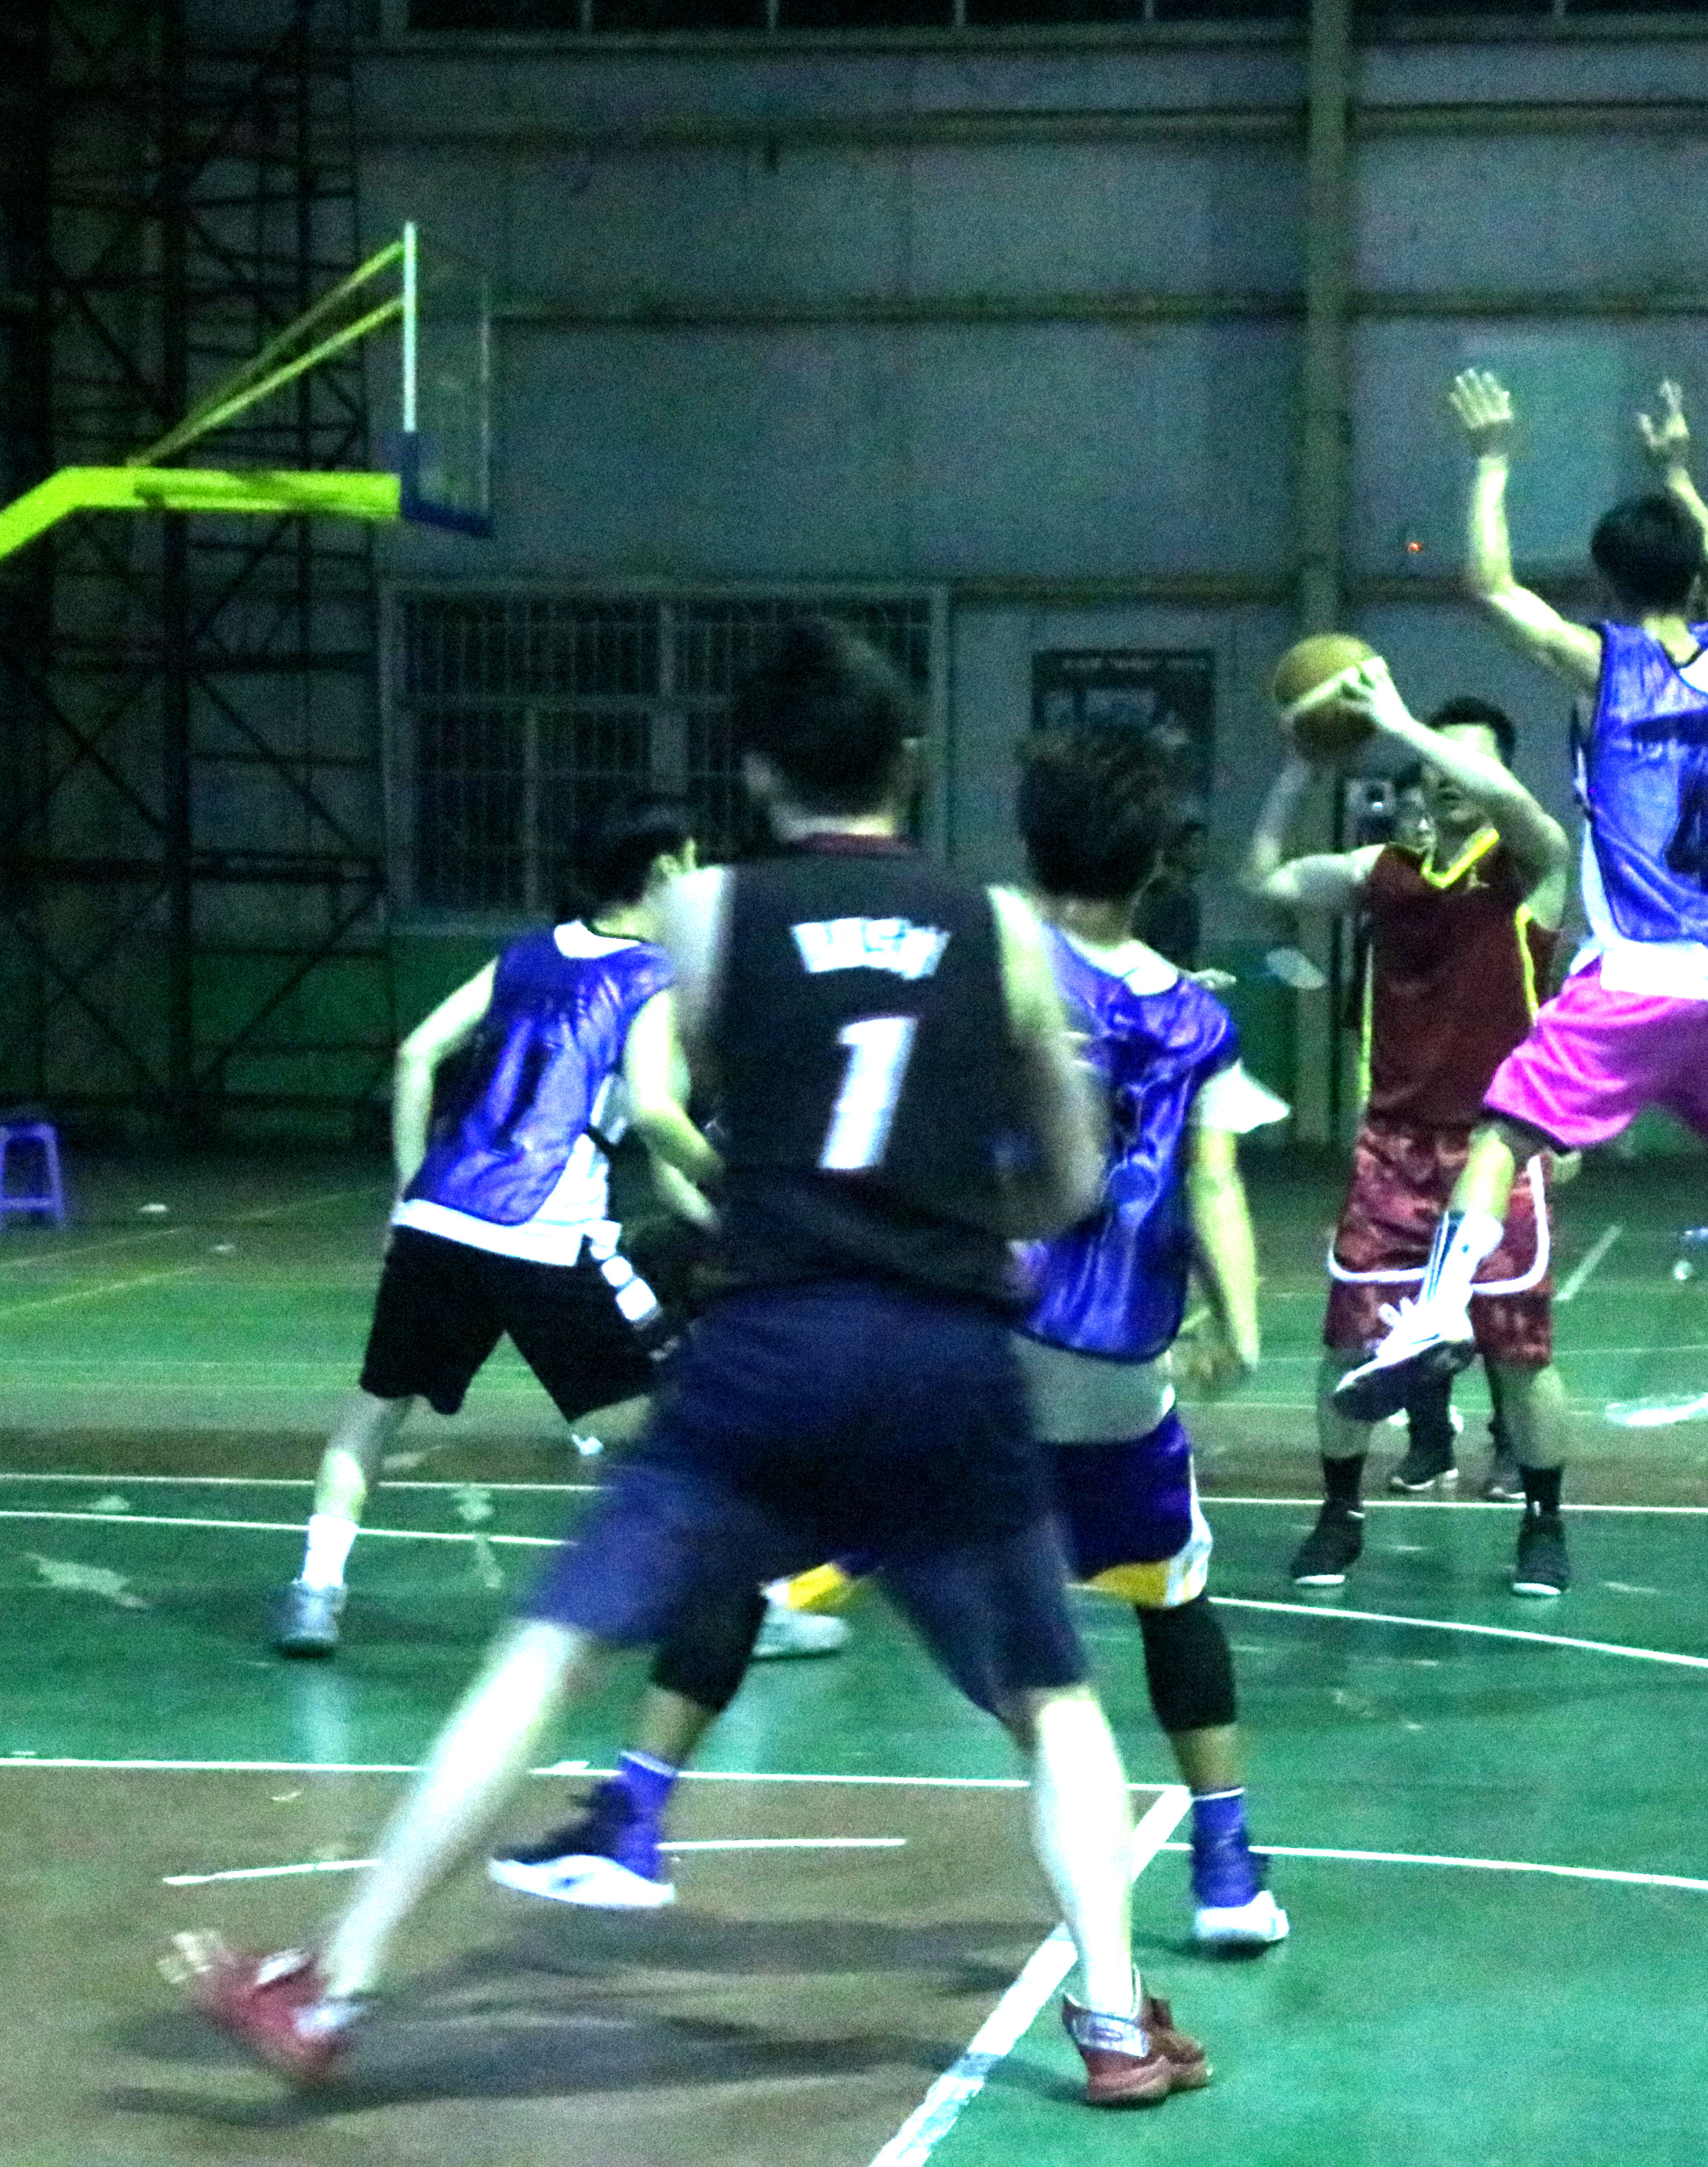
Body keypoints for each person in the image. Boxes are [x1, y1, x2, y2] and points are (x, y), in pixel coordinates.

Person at [177, 621, 1211, 2111]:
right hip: (937, 1358)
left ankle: (334, 1988)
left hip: (767, 1351)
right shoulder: (997, 928)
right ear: (910, 764)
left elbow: (670, 1093)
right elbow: (1068, 1181)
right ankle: (1112, 2024)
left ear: (758, 771)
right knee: (1049, 1703)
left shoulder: (709, 913)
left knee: (551, 1648)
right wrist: (963, 1200)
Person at [488, 726, 1292, 1951]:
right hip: (1117, 1365)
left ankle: (636, 1810)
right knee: (1174, 1600)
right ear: (1158, 865)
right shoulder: (1193, 1016)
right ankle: (1225, 1867)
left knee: (754, 1552)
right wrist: (1239, 1322)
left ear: (1030, 844)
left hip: (970, 1337)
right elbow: (1217, 1181)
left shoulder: (981, 955)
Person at [1334, 372, 1708, 1441]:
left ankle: (1434, 1317)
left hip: (1640, 976)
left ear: (1608, 585)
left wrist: (1492, 459)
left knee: (1499, 1136)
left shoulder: (1604, 666)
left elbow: (1488, 584)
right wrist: (1679, 474)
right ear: (1695, 575)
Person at [264, 797, 721, 1661]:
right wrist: (741, 1187)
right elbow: (658, 1118)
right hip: (545, 1231)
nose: (700, 879)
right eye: (694, 862)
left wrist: (408, 1194)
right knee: (687, 1408)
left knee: (376, 1407)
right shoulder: (650, 977)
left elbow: (416, 1054)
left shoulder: (524, 956)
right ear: (662, 871)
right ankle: (725, 1604)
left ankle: (315, 1591)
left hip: (437, 1216)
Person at [1247, 676, 1583, 1596]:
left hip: (1496, 1149)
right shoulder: (1383, 873)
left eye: (1471, 761)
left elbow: (1531, 818)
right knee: (1347, 1347)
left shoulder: (1532, 869)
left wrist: (1400, 723)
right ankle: (1338, 1515)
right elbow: (1264, 877)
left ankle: (1544, 1523)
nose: (1448, 776)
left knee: (1521, 1355)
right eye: (1436, 761)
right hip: (1392, 1151)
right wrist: (1297, 767)